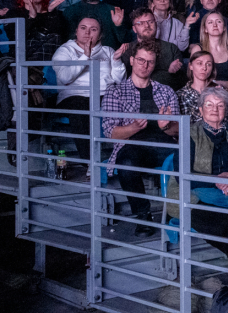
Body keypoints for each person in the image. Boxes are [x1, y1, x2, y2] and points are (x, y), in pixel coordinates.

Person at [101, 40, 181, 235]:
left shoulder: (166, 91)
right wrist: (132, 128)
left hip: (162, 143)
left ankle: (176, 214)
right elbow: (109, 131)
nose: (145, 65)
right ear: (131, 60)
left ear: (154, 64)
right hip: (132, 144)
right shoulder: (116, 91)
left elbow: (178, 131)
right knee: (126, 162)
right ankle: (143, 216)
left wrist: (167, 125)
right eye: (141, 60)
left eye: (150, 62)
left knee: (185, 157)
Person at [174, 87, 228, 267]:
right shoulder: (188, 135)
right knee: (218, 226)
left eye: (220, 105)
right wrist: (217, 181)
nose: (215, 109)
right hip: (198, 194)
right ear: (200, 109)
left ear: (226, 110)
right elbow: (182, 172)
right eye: (209, 104)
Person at [52, 18, 128, 163]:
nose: (87, 32)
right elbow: (64, 77)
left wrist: (117, 61)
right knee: (81, 108)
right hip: (75, 96)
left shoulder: (108, 51)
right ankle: (90, 163)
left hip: (105, 95)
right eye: (83, 28)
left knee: (128, 103)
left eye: (93, 29)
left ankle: (124, 158)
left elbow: (120, 81)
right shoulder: (64, 50)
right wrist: (85, 57)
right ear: (76, 31)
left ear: (100, 35)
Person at [177, 50, 215, 123]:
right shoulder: (181, 95)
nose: (204, 68)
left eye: (208, 64)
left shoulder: (218, 93)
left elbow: (225, 121)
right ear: (191, 66)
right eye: (199, 63)